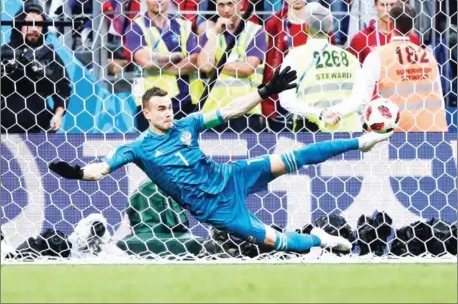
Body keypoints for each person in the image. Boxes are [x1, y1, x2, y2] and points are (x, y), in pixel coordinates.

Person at [48, 67, 393, 254]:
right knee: (280, 242)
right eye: (161, 109)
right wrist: (77, 173)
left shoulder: (187, 124)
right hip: (217, 211)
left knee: (295, 157)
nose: (169, 112)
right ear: (147, 112)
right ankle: (321, 239)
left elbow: (228, 110)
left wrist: (263, 92)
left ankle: (362, 142)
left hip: (231, 176)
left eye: (170, 106)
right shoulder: (136, 148)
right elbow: (101, 169)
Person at [322, 2, 448, 132]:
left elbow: (361, 97)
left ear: (390, 24)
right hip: (433, 129)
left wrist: (334, 111)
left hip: (395, 131)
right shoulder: (429, 57)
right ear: (412, 25)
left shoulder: (378, 56)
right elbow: (440, 98)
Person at [278, 2, 362, 133]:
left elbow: (286, 100)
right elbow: (362, 98)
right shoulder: (349, 58)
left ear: (305, 26)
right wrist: (337, 112)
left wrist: (320, 114)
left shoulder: (295, 56)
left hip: (310, 129)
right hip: (347, 129)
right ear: (330, 28)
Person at [125, 0, 203, 131]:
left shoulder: (184, 25)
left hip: (185, 100)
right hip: (151, 103)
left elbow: (195, 61)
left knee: (185, 148)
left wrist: (158, 61)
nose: (159, 0)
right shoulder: (136, 27)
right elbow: (145, 61)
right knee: (152, 149)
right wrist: (176, 57)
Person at [197, 0, 267, 133]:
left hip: (245, 109)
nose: (226, 10)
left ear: (241, 4)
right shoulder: (211, 34)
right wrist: (216, 31)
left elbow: (247, 68)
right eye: (221, 5)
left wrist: (215, 64)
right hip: (213, 110)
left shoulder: (255, 31)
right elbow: (205, 66)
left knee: (247, 154)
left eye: (230, 4)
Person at [1, 1, 71, 134]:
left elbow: (63, 89)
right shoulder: (4, 53)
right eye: (29, 24)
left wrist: (57, 115)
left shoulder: (49, 56)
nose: (34, 29)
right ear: (19, 25)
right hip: (4, 130)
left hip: (39, 130)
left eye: (38, 25)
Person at [347, 0, 420, 64]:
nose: (388, 10)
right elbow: (353, 73)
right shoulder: (361, 39)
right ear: (375, 6)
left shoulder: (412, 39)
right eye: (383, 5)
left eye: (393, 5)